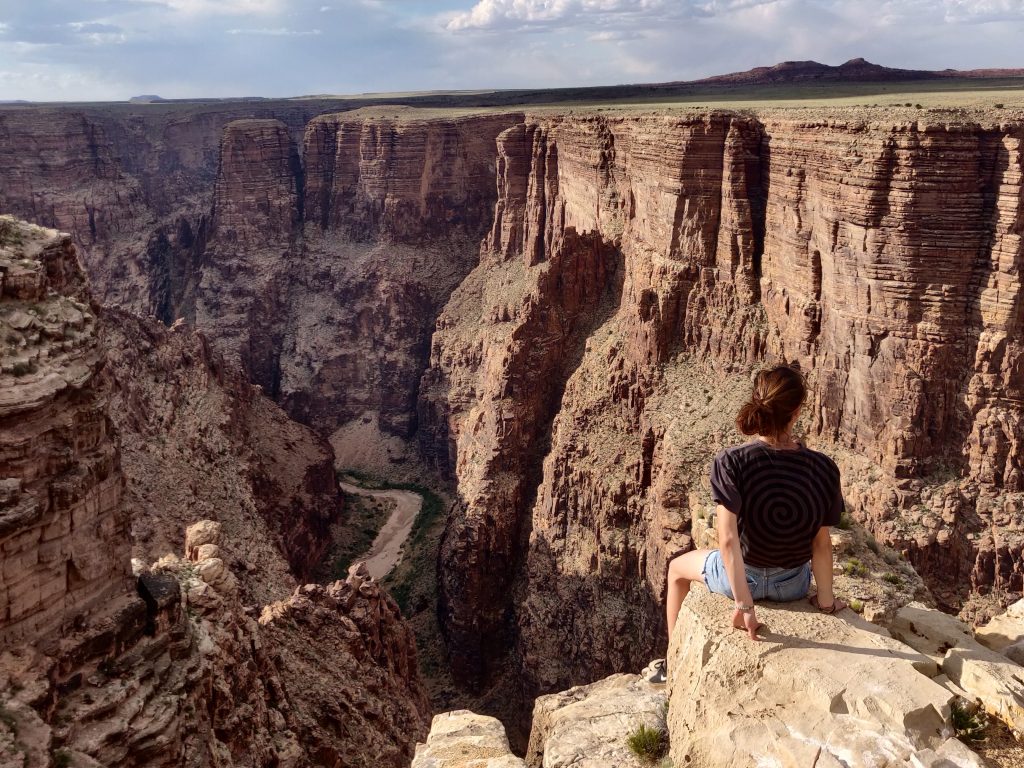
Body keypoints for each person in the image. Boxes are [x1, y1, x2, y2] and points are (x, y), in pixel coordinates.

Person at [649, 364, 846, 685]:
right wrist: (826, 602)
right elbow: (820, 543)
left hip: (739, 582)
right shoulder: (823, 467)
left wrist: (745, 606)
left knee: (676, 569)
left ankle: (672, 664)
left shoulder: (732, 461)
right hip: (792, 584)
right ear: (797, 411)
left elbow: (727, 541)